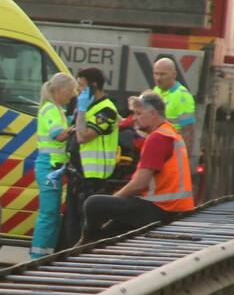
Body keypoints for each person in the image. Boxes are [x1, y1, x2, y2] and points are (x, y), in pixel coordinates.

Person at [79, 90, 194, 242]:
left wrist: (114, 200)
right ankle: (91, 243)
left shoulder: (157, 138)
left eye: (139, 114)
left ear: (153, 114)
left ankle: (85, 241)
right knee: (107, 234)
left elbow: (139, 184)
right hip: (174, 208)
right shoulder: (170, 132)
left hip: (160, 208)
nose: (134, 118)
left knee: (93, 204)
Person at [62, 67, 120, 246]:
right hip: (77, 175)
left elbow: (82, 136)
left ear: (93, 86)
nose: (77, 90)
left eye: (81, 86)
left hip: (93, 178)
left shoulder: (107, 110)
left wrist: (81, 111)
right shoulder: (88, 106)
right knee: (71, 224)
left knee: (84, 226)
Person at [30, 72, 77, 259]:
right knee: (49, 213)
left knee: (53, 213)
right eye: (70, 90)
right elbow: (58, 135)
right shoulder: (50, 109)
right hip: (49, 168)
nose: (72, 94)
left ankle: (45, 254)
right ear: (59, 89)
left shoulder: (56, 109)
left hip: (53, 168)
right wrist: (76, 128)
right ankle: (38, 257)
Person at [152, 57, 198, 169]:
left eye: (163, 74)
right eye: (156, 74)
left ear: (174, 75)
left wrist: (182, 163)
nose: (158, 78)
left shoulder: (183, 96)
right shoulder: (156, 91)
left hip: (172, 152)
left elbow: (188, 132)